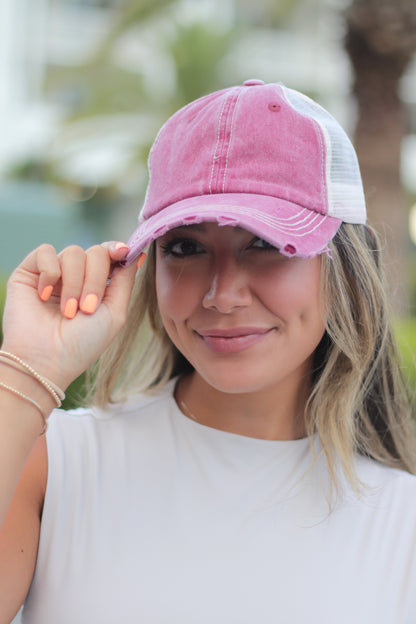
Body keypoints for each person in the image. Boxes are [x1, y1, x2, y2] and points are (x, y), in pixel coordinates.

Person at [0, 79, 415, 624]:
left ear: (342, 269)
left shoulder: (402, 523)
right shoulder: (53, 466)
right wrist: (26, 373)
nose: (222, 295)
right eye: (186, 247)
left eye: (266, 245)